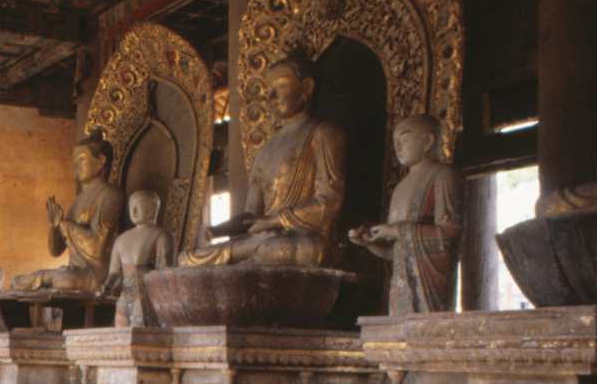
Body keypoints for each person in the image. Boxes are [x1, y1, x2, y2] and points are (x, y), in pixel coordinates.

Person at [179, 49, 345, 267]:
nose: (271, 96)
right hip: (263, 240)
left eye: (280, 87)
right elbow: (251, 215)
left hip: (302, 239)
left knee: (276, 249)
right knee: (187, 258)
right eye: (269, 90)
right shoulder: (266, 149)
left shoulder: (323, 133)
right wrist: (216, 230)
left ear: (306, 87)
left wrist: (273, 221)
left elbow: (330, 201)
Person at [349, 113, 464, 314]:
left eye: (404, 140)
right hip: (401, 288)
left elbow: (449, 236)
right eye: (395, 143)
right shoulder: (401, 188)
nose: (398, 148)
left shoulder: (444, 175)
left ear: (428, 141)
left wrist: (396, 231)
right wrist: (371, 242)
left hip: (430, 289)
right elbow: (398, 252)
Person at [11, 132, 124, 292]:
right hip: (73, 271)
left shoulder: (110, 194)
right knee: (18, 281)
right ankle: (47, 280)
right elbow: (55, 251)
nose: (76, 166)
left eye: (81, 160)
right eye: (75, 162)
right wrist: (54, 227)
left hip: (95, 273)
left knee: (64, 279)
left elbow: (96, 246)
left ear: (101, 160)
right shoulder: (78, 200)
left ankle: (50, 282)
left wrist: (64, 224)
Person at [98, 190, 174, 327]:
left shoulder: (161, 236)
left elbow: (164, 272)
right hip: (125, 297)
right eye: (131, 206)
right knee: (122, 334)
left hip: (148, 297)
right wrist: (107, 286)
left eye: (139, 206)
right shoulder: (121, 240)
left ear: (154, 209)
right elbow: (114, 273)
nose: (133, 211)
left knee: (143, 333)